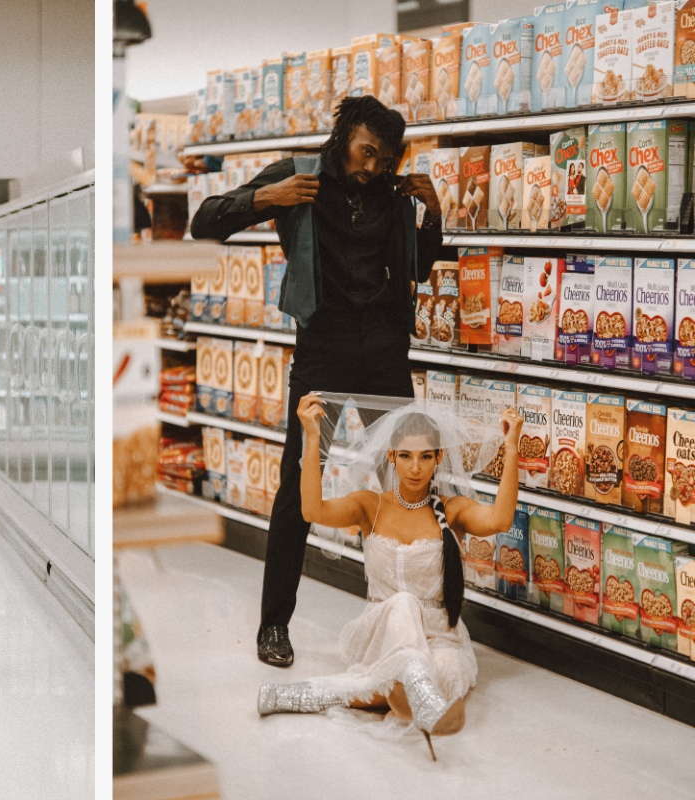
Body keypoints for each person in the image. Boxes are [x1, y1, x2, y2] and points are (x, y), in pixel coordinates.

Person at [189, 95, 446, 668]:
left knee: (408, 486)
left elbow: (418, 269)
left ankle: (408, 622)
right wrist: (265, 198)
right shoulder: (297, 176)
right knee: (295, 489)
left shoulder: (392, 191)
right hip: (322, 352)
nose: (373, 168)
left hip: (384, 351)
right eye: (365, 153)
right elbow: (203, 222)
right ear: (343, 137)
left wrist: (434, 216)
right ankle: (273, 627)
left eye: (384, 159)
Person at [257, 395, 522, 761]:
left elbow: (500, 521)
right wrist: (313, 437)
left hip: (439, 634)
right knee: (403, 603)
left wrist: (511, 449)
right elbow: (311, 509)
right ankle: (414, 690)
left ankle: (307, 695)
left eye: (426, 456)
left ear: (438, 458)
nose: (415, 468)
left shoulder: (451, 509)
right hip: (382, 627)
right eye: (406, 456)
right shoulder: (372, 504)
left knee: (445, 670)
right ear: (391, 456)